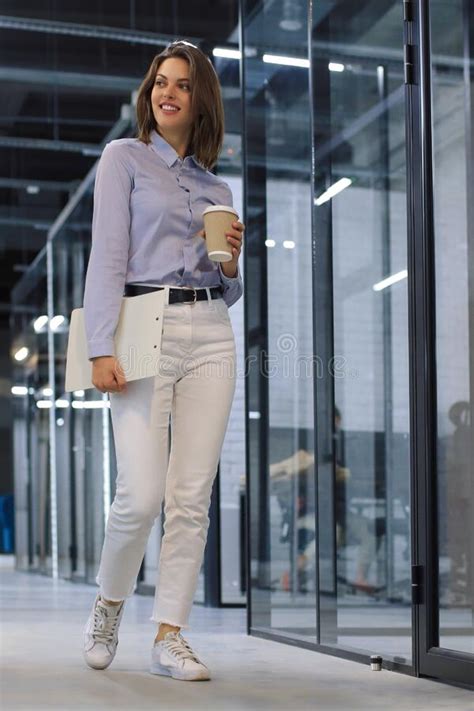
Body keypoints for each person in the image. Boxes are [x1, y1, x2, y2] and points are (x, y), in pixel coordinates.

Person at [81, 40, 244, 681]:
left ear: (200, 98)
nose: (167, 93)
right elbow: (107, 256)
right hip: (140, 323)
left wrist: (230, 259)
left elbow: (226, 281)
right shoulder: (122, 159)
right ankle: (108, 604)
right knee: (140, 496)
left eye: (180, 84)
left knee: (190, 496)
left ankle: (169, 634)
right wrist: (99, 345)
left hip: (210, 327)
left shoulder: (216, 185)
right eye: (159, 84)